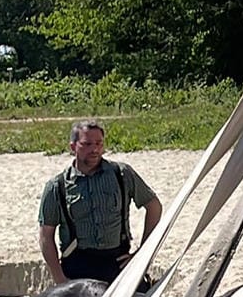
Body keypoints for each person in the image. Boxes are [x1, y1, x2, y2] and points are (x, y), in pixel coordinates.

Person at [37, 119, 163, 284]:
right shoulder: (57, 186)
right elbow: (46, 236)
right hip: (77, 268)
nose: (95, 149)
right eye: (87, 144)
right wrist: (59, 278)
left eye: (99, 143)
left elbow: (154, 207)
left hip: (118, 264)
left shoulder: (122, 174)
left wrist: (142, 254)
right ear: (73, 147)